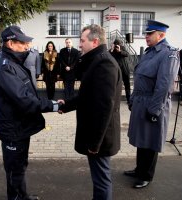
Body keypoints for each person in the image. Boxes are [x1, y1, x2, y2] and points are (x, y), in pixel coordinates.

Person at [0, 25, 60, 200]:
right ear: (10, 44)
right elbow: (24, 99)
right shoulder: (6, 68)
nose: (27, 47)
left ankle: (22, 196)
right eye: (23, 43)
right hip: (13, 130)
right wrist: (53, 105)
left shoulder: (14, 64)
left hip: (19, 127)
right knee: (15, 169)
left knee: (19, 166)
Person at [58, 24, 122, 200]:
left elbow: (104, 107)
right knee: (99, 177)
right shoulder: (96, 60)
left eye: (82, 40)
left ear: (94, 41)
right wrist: (67, 105)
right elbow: (88, 96)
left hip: (99, 138)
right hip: (96, 136)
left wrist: (95, 143)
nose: (79, 45)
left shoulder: (104, 63)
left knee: (102, 179)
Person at [125, 20, 180, 189]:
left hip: (153, 103)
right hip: (142, 101)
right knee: (142, 140)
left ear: (161, 35)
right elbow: (139, 77)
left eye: (150, 34)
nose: (146, 37)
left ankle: (146, 175)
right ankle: (139, 169)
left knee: (151, 142)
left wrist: (154, 109)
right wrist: (133, 99)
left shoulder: (168, 54)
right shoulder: (150, 52)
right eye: (146, 33)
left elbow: (164, 86)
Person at [109, 38, 131, 104]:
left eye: (118, 44)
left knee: (127, 85)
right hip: (117, 71)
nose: (117, 46)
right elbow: (108, 56)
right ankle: (114, 100)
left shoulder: (122, 48)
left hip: (125, 70)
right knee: (116, 86)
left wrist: (120, 51)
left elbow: (127, 54)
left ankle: (129, 99)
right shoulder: (111, 51)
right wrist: (112, 49)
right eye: (116, 45)